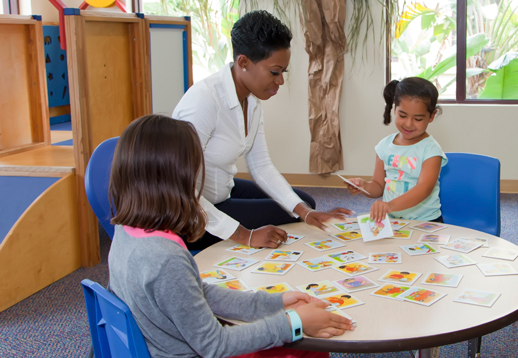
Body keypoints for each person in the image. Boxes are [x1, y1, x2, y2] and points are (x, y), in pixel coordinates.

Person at [108, 115, 355, 358]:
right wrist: (292, 323)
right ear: (179, 178)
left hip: (164, 344)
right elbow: (215, 345)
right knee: (308, 346)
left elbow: (196, 293)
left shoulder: (126, 231)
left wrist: (273, 304)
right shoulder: (166, 260)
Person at [173, 10, 352, 251]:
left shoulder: (252, 98)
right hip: (189, 211)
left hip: (223, 191)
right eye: (275, 72)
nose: (280, 81)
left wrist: (305, 212)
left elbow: (260, 165)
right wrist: (244, 235)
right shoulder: (204, 101)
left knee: (304, 204)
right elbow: (180, 189)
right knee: (290, 212)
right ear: (244, 62)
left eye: (283, 72)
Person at [345, 77, 448, 223]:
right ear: (394, 109)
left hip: (426, 221)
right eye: (402, 115)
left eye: (418, 119)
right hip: (393, 221)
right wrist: (364, 186)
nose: (408, 124)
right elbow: (379, 186)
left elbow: (424, 188)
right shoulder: (384, 146)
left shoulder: (431, 150)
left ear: (431, 116)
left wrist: (390, 206)